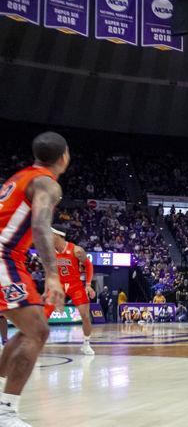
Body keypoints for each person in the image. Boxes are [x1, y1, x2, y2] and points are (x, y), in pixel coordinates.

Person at [0, 132, 69, 425]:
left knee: (30, 328)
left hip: (9, 258)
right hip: (4, 256)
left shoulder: (21, 176)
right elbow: (40, 227)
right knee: (38, 331)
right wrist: (53, 276)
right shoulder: (46, 183)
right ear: (64, 157)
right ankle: (6, 412)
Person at [43, 225, 96, 355]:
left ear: (59, 235)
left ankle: (86, 343)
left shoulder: (76, 250)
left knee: (85, 315)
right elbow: (49, 273)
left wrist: (88, 284)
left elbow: (88, 265)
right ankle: (39, 345)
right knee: (44, 315)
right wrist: (45, 291)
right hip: (58, 285)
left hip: (75, 285)